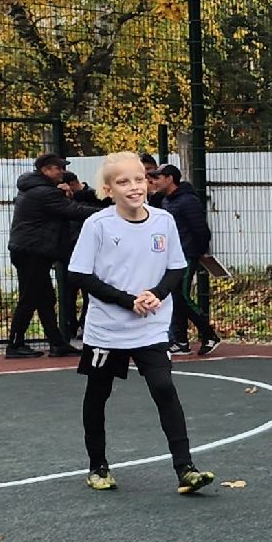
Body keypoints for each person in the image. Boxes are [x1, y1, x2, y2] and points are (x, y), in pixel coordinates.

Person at [67, 152, 215, 494]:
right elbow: (79, 274)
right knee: (98, 394)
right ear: (108, 189)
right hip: (107, 328)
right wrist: (126, 300)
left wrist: (157, 294)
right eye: (123, 182)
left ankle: (185, 469)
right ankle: (98, 466)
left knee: (164, 387)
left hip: (150, 326)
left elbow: (176, 267)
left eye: (138, 179)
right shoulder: (98, 225)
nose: (133, 187)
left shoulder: (163, 221)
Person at [5, 152, 81, 358]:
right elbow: (72, 211)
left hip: (31, 250)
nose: (62, 172)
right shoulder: (44, 192)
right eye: (58, 168)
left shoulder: (37, 188)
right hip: (32, 251)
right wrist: (107, 212)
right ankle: (14, 344)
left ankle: (57, 343)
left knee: (44, 298)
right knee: (30, 298)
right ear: (45, 170)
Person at [150, 164, 222, 355]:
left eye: (158, 178)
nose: (154, 182)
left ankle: (209, 334)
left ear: (170, 179)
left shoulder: (187, 201)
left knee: (181, 296)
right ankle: (181, 341)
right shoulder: (166, 200)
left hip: (186, 255)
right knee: (174, 297)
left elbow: (201, 229)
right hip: (171, 256)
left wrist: (197, 251)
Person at [54, 170, 101, 349]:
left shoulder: (94, 197)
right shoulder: (59, 200)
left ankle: (84, 326)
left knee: (91, 292)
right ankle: (69, 328)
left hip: (89, 254)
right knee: (67, 294)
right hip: (67, 254)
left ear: (73, 184)